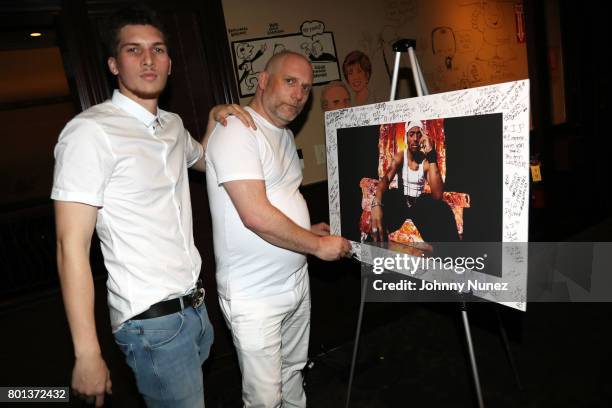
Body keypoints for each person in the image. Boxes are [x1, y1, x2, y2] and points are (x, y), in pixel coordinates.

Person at [51, 5, 254, 407]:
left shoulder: (173, 126)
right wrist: (87, 352)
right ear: (113, 64)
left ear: (170, 62)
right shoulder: (90, 132)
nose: (148, 59)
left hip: (194, 310)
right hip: (151, 323)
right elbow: (68, 246)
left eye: (158, 49)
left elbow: (205, 158)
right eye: (133, 50)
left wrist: (215, 117)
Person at [205, 51, 352, 407]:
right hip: (255, 295)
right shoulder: (237, 130)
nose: (299, 94)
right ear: (263, 80)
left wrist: (309, 230)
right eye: (290, 82)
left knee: (293, 372)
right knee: (265, 398)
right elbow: (255, 214)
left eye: (305, 87)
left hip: (295, 282)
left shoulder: (282, 133)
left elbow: (281, 196)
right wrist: (317, 247)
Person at [371, 120, 459, 243]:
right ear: (406, 136)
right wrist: (376, 203)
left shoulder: (426, 161)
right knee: (389, 197)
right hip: (401, 201)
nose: (415, 138)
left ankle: (450, 256)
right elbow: (385, 179)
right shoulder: (400, 157)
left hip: (419, 204)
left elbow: (437, 195)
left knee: (443, 208)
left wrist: (431, 154)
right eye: (411, 134)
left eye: (419, 134)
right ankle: (374, 252)